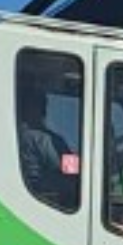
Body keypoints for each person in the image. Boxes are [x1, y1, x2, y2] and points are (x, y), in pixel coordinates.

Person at [17, 77, 79, 212]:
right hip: (47, 198)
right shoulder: (42, 139)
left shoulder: (17, 136)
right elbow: (71, 169)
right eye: (41, 105)